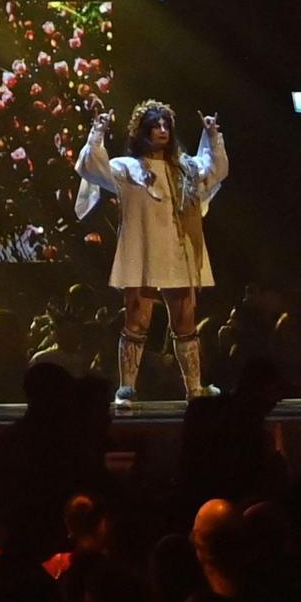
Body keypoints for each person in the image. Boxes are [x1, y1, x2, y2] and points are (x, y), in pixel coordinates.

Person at [78, 98, 225, 406]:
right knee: (137, 317)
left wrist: (212, 137)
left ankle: (194, 388)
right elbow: (92, 166)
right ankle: (127, 387)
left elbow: (216, 170)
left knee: (185, 319)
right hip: (143, 248)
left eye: (166, 125)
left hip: (177, 249)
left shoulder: (185, 167)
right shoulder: (126, 168)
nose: (162, 130)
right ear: (142, 131)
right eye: (155, 125)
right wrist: (97, 131)